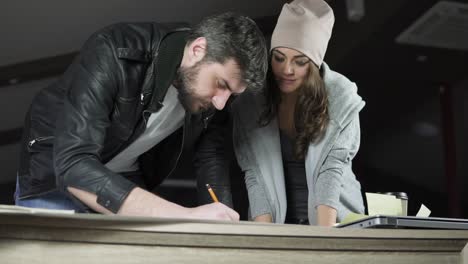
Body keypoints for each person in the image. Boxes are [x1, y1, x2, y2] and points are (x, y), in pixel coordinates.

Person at [15, 12, 268, 221]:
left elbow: (211, 158)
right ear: (198, 49)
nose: (221, 103)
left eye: (233, 94)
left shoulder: (215, 100)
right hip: (56, 169)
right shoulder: (115, 50)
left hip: (123, 177)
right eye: (221, 83)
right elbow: (73, 165)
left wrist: (223, 224)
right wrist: (184, 215)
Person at [197, 0, 365, 226]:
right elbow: (255, 173)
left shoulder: (342, 97)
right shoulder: (250, 101)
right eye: (279, 58)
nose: (286, 70)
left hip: (336, 220)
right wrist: (266, 235)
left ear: (314, 65)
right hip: (280, 220)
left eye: (300, 61)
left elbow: (331, 171)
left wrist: (326, 240)